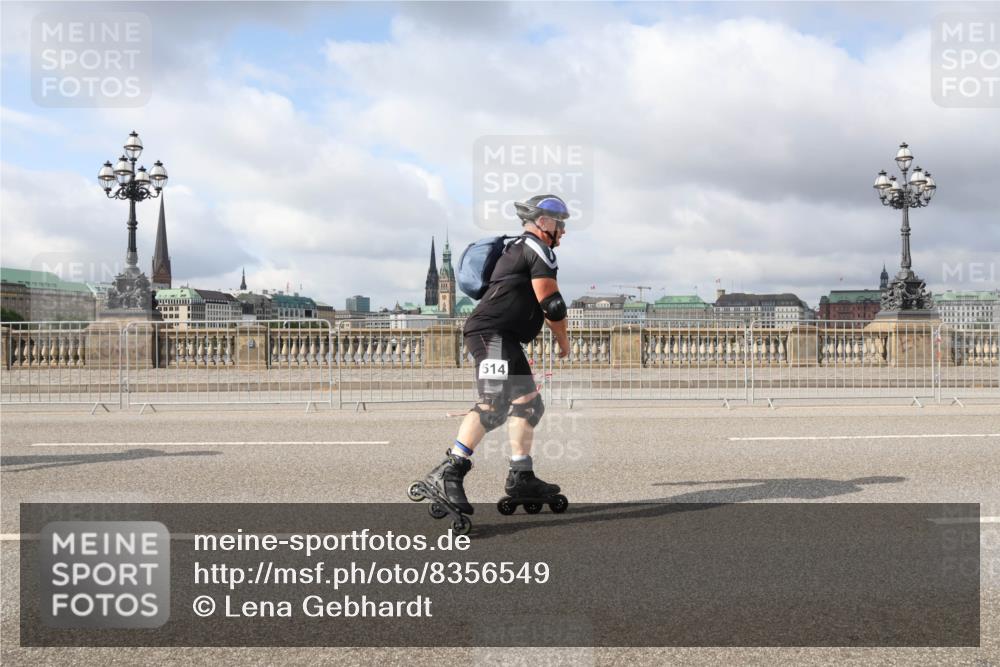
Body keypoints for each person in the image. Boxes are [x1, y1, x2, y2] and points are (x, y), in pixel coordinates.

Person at [421, 194, 571, 516]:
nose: (563, 232)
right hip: (491, 336)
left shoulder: (520, 248)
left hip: (506, 338)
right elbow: (552, 304)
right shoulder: (536, 250)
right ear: (544, 223)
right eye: (560, 225)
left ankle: (521, 476)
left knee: (529, 404)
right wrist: (564, 342)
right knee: (493, 406)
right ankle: (448, 471)